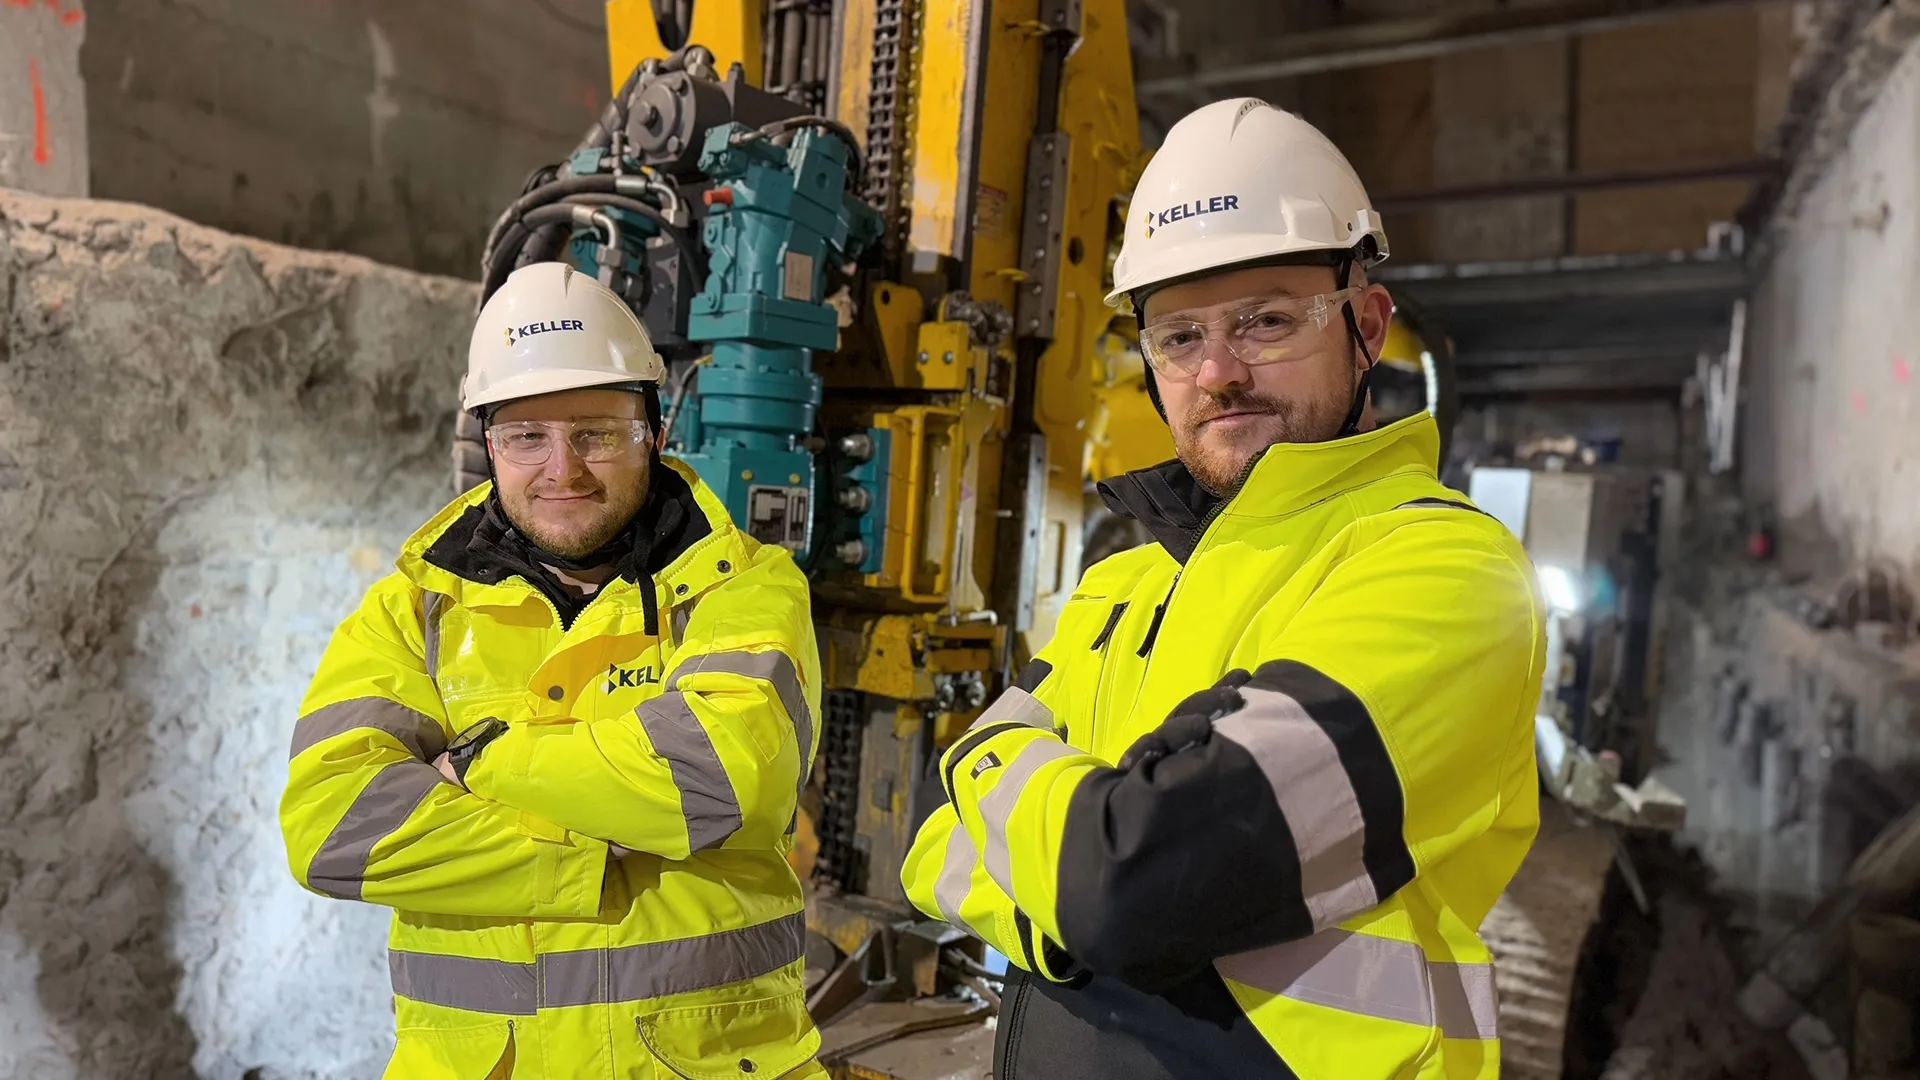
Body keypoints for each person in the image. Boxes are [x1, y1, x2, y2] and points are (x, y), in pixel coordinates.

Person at [902, 98, 1547, 1079]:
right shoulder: (1127, 582)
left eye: (1268, 322)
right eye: (1177, 337)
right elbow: (930, 855)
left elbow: (1134, 879)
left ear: (1367, 326)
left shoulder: (1447, 574)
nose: (1219, 373)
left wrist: (996, 771)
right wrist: (1066, 906)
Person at [280, 262, 826, 1079]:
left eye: (597, 433)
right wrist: (587, 859)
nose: (561, 469)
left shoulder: (743, 587)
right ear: (488, 444)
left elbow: (722, 781)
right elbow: (335, 830)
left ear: (653, 431)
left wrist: (476, 764)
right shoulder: (412, 612)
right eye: (527, 437)